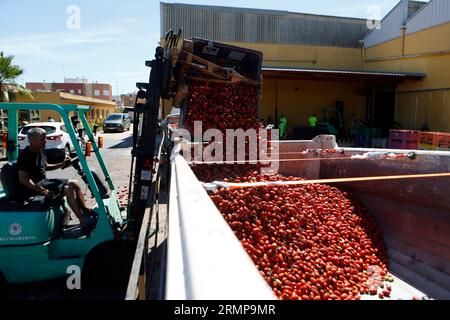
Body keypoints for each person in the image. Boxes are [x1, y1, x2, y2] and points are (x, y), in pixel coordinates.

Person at [17, 127, 95, 227]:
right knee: (68, 189)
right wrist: (42, 191)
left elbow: (46, 166)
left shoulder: (39, 151)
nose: (45, 141)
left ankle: (85, 210)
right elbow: (23, 179)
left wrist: (62, 164)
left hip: (43, 182)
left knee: (75, 183)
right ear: (32, 140)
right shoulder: (25, 155)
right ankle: (82, 219)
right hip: (32, 188)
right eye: (42, 139)